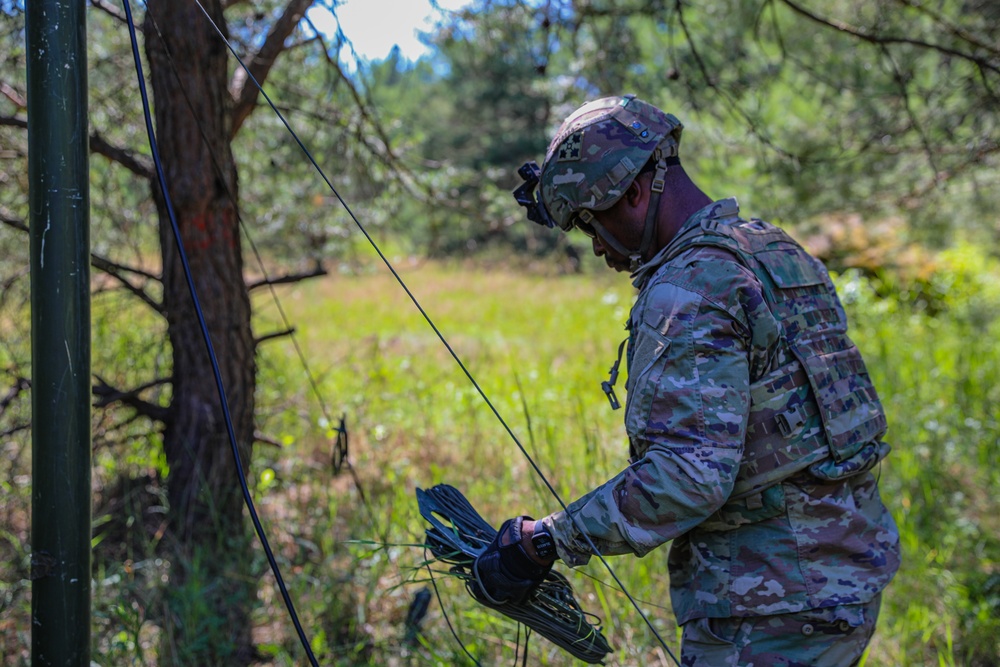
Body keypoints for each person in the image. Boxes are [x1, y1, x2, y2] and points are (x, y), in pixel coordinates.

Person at [473, 95, 901, 666]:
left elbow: (689, 476)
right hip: (846, 577)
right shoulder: (776, 249)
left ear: (629, 193)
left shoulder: (688, 289)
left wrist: (547, 539)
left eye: (590, 224)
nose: (598, 247)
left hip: (767, 608)